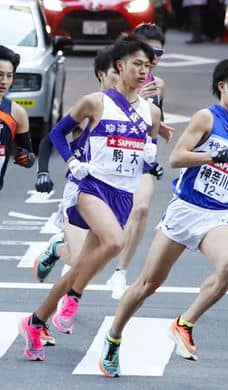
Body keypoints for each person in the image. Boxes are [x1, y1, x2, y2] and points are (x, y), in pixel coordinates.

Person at [99, 58, 228, 376]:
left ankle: (184, 323)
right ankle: (113, 338)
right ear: (223, 86)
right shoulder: (207, 117)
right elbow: (176, 157)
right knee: (147, 284)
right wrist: (215, 155)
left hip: (215, 215)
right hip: (185, 210)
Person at [18, 38, 160, 361]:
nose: (143, 71)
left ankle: (35, 321)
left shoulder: (150, 111)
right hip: (91, 187)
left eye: (148, 66)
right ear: (119, 66)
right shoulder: (96, 102)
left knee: (78, 266)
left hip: (123, 194)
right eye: (137, 64)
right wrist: (71, 162)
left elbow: (147, 148)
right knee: (115, 241)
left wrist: (151, 156)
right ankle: (74, 297)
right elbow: (56, 134)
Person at [33, 48, 120, 283]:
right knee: (78, 257)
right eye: (116, 72)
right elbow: (50, 138)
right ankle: (57, 249)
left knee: (104, 251)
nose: (121, 78)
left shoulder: (134, 111)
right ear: (101, 74)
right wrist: (44, 170)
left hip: (113, 190)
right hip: (81, 191)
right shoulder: (90, 106)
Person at [106, 23, 173, 300]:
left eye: (159, 52)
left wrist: (163, 126)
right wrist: (134, 99)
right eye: (149, 51)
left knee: (142, 208)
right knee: (101, 224)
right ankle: (62, 247)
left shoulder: (159, 84)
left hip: (144, 154)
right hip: (113, 152)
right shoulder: (115, 75)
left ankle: (120, 272)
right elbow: (103, 111)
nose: (154, 58)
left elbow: (157, 119)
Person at [0, 45, 36, 191]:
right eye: (0, 74)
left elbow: (28, 154)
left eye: (9, 75)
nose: (4, 81)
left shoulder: (17, 113)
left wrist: (27, 158)